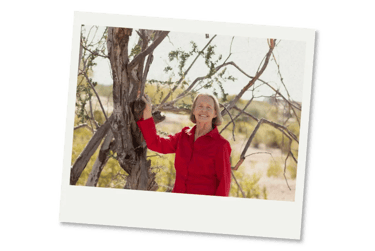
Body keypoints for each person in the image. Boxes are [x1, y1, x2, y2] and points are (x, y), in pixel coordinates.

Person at [136, 93, 232, 196]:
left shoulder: (221, 145)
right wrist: (147, 112)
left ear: (215, 113)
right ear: (194, 110)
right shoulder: (183, 136)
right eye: (200, 106)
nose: (204, 110)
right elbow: (156, 144)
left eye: (209, 107)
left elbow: (224, 185)